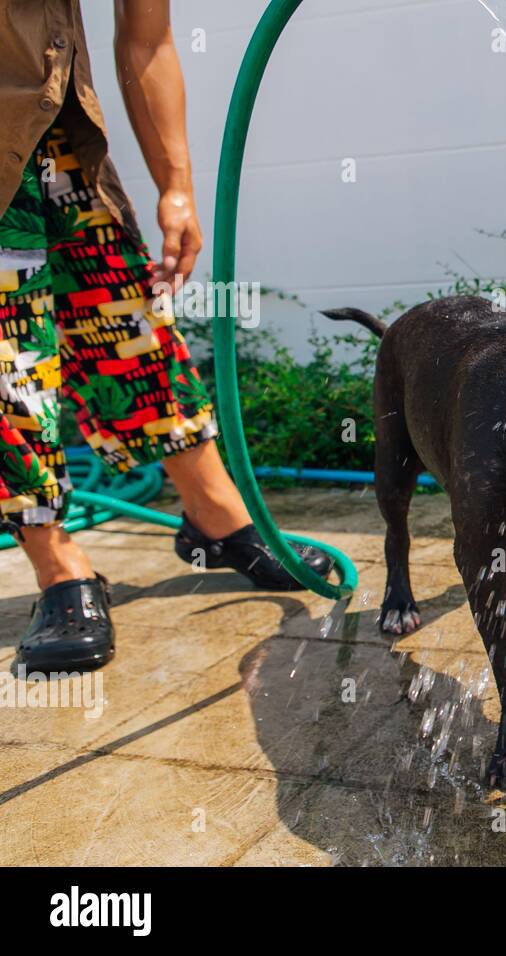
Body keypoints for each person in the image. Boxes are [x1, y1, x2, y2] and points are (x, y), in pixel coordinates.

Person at [0, 0, 331, 672]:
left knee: (128, 320)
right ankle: (57, 562)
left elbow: (146, 36)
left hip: (58, 138)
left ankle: (214, 511)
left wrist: (175, 187)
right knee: (10, 362)